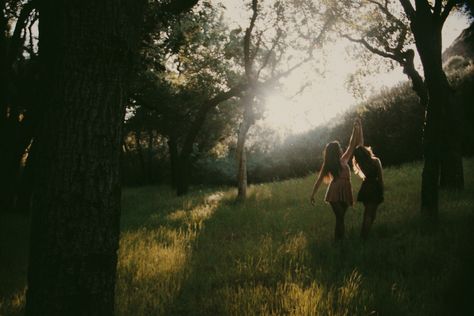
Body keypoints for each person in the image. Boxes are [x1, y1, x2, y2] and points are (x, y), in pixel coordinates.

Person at [310, 120, 360, 241]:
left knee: (341, 218)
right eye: (339, 148)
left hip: (346, 190)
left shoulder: (343, 160)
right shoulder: (328, 164)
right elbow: (319, 180)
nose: (342, 149)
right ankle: (338, 241)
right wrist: (312, 195)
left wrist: (355, 129)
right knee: (340, 217)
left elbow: (352, 144)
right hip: (334, 192)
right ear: (336, 151)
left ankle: (340, 240)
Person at [352, 118, 384, 239]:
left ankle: (364, 235)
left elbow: (359, 144)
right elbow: (381, 179)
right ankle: (364, 237)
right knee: (370, 214)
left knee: (368, 213)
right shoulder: (375, 161)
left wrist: (359, 128)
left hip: (366, 187)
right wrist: (382, 191)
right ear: (366, 151)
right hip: (374, 187)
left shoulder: (361, 162)